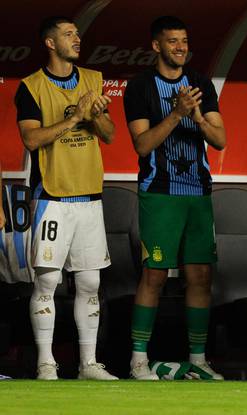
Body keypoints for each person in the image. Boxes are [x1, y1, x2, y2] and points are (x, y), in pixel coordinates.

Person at [123, 16, 226, 381]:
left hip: (198, 193)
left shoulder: (199, 83)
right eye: (172, 41)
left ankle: (198, 359)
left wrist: (195, 117)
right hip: (159, 193)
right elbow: (142, 144)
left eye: (184, 40)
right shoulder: (139, 87)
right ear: (156, 46)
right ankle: (138, 360)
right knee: (154, 275)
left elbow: (220, 140)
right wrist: (176, 113)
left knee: (199, 275)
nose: (180, 47)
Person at [14, 16, 116, 380]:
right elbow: (31, 139)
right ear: (50, 43)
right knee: (48, 282)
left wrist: (96, 115)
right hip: (52, 197)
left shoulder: (93, 79)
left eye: (77, 33)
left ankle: (88, 364)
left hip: (89, 197)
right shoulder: (31, 87)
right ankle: (46, 362)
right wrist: (75, 118)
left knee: (91, 283)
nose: (77, 38)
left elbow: (109, 134)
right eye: (68, 34)